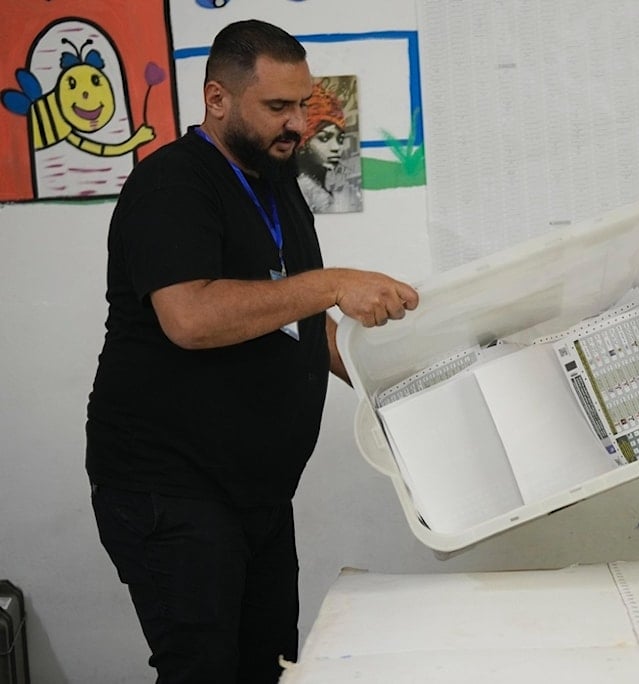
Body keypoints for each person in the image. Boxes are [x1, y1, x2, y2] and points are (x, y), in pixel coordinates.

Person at [85, 19, 418, 683]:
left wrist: (407, 394)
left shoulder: (277, 186)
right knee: (205, 670)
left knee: (267, 665)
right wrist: (330, 283)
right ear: (216, 100)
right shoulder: (172, 186)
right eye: (277, 108)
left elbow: (298, 319)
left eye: (303, 105)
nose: (297, 124)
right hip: (169, 486)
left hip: (256, 493)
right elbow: (189, 318)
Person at [296, 80, 362, 213]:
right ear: (303, 143)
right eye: (324, 138)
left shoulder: (335, 192)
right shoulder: (301, 194)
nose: (336, 147)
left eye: (340, 139)